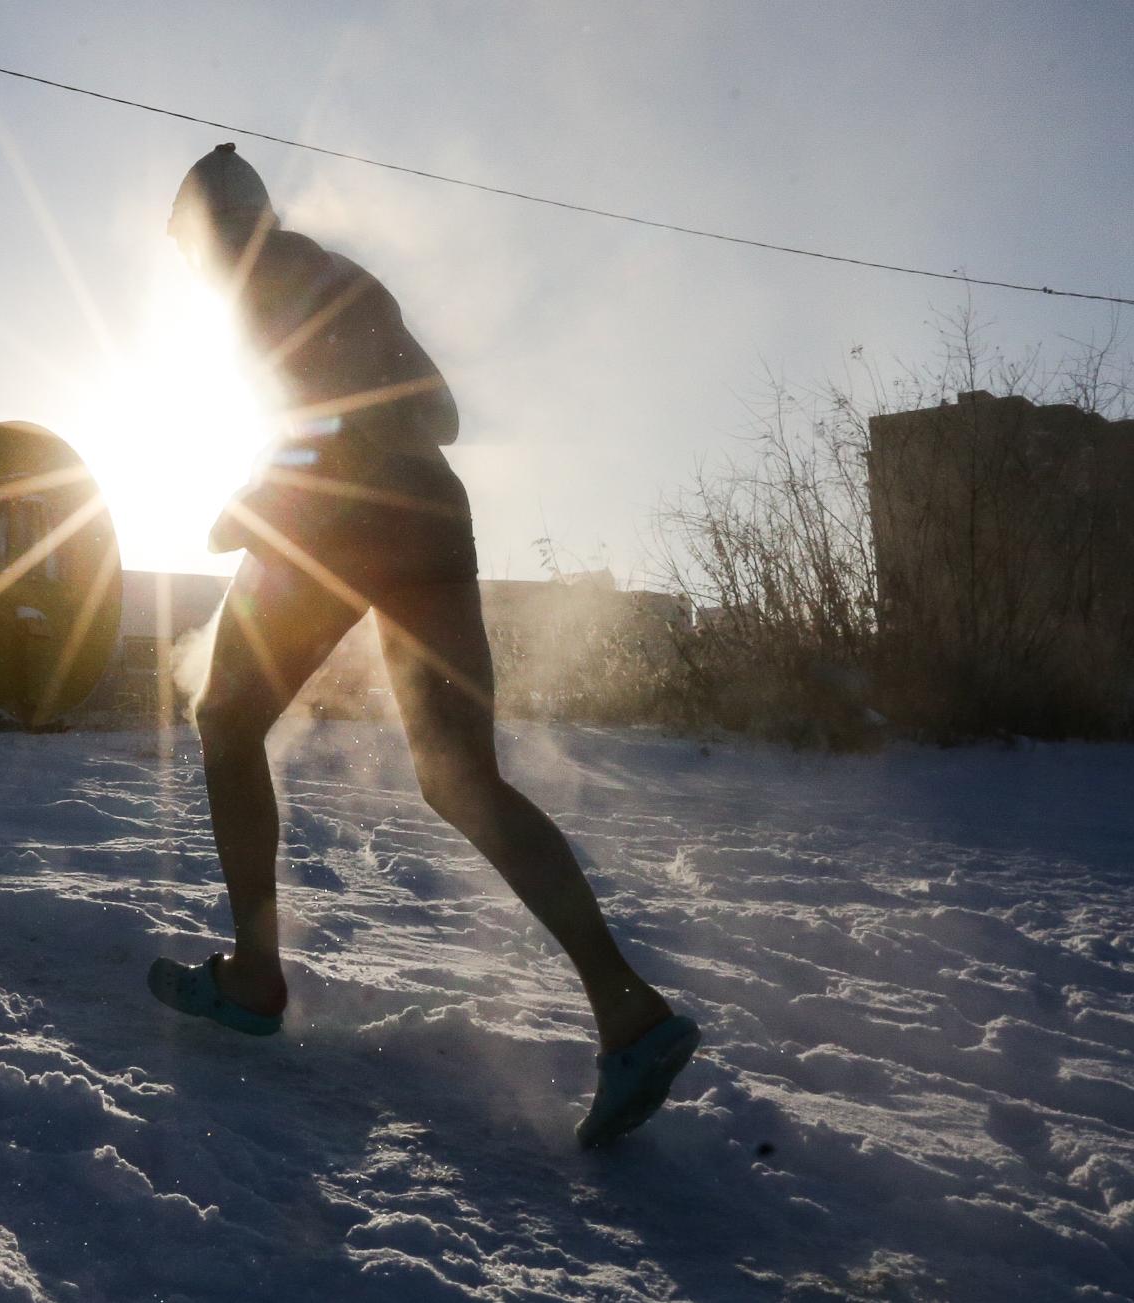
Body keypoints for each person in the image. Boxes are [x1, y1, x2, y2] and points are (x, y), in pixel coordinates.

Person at [144, 144, 699, 1149]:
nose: (193, 268)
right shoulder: (345, 277)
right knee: (457, 774)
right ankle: (630, 1013)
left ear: (214, 228)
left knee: (222, 717)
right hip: (434, 521)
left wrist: (258, 502)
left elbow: (331, 423)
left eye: (187, 244)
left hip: (340, 525)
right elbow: (432, 412)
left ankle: (255, 977)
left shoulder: (260, 284)